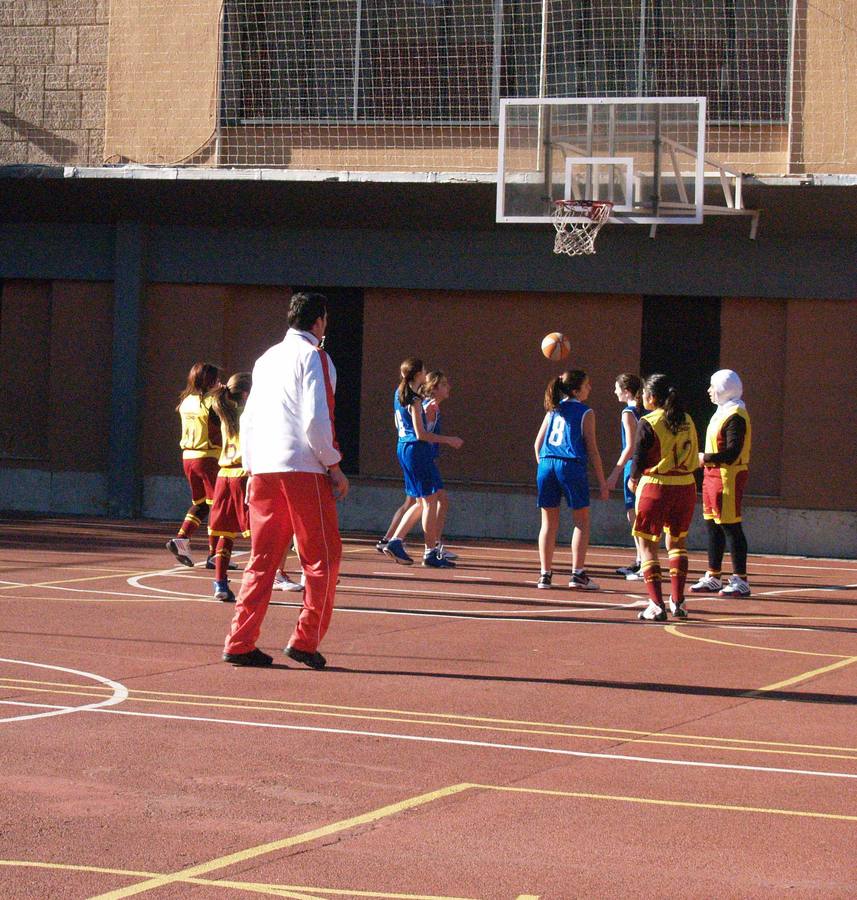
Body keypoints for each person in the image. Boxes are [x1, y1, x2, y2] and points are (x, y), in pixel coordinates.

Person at [222, 291, 349, 668]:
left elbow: (250, 417)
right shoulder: (315, 357)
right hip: (303, 467)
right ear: (320, 321)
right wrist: (334, 465)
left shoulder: (266, 359)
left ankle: (240, 639)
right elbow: (316, 419)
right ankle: (305, 639)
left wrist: (250, 463)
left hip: (264, 467)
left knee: (262, 557)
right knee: (323, 557)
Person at [628, 374, 699, 621]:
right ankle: (678, 601)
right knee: (678, 543)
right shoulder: (687, 420)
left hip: (657, 486)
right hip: (686, 487)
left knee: (647, 547)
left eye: (645, 394)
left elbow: (638, 458)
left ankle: (656, 605)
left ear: (652, 397)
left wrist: (633, 479)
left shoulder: (649, 421)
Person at [383, 358, 463, 568]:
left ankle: (395, 541)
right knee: (429, 501)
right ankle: (430, 552)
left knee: (421, 501)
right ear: (418, 374)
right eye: (424, 370)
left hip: (404, 448)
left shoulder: (398, 394)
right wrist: (449, 439)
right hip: (416, 450)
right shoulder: (415, 400)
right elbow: (421, 433)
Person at [534, 369, 608, 590]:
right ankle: (577, 574)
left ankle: (545, 575)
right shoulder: (586, 412)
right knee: (581, 521)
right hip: (571, 465)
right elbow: (592, 450)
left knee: (548, 523)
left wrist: (545, 468)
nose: (590, 389)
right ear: (576, 390)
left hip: (547, 463)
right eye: (587, 385)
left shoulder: (553, 410)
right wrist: (603, 482)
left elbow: (537, 445)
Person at [691, 369, 752, 597]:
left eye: (712, 387)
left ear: (725, 389)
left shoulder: (736, 414)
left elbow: (733, 452)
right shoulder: (721, 412)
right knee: (712, 525)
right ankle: (713, 575)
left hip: (728, 475)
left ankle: (741, 579)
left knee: (730, 526)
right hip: (712, 475)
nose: (709, 391)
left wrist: (705, 458)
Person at [166, 361, 222, 568]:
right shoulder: (211, 403)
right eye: (216, 379)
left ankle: (182, 539)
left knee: (201, 503)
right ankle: (215, 554)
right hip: (208, 457)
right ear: (210, 380)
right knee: (217, 505)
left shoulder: (186, 401)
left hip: (189, 457)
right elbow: (222, 426)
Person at [207, 372, 252, 603]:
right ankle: (262, 578)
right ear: (246, 393)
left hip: (223, 475)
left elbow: (213, 400)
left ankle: (220, 583)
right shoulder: (249, 412)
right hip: (244, 474)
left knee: (225, 533)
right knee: (259, 531)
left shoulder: (223, 411)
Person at [605, 373, 645, 580]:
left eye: (616, 388)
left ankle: (645, 564)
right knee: (637, 515)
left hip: (633, 467)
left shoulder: (628, 413)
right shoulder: (645, 410)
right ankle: (640, 561)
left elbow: (630, 447)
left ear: (626, 391)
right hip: (644, 466)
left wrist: (614, 473)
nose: (614, 391)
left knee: (634, 516)